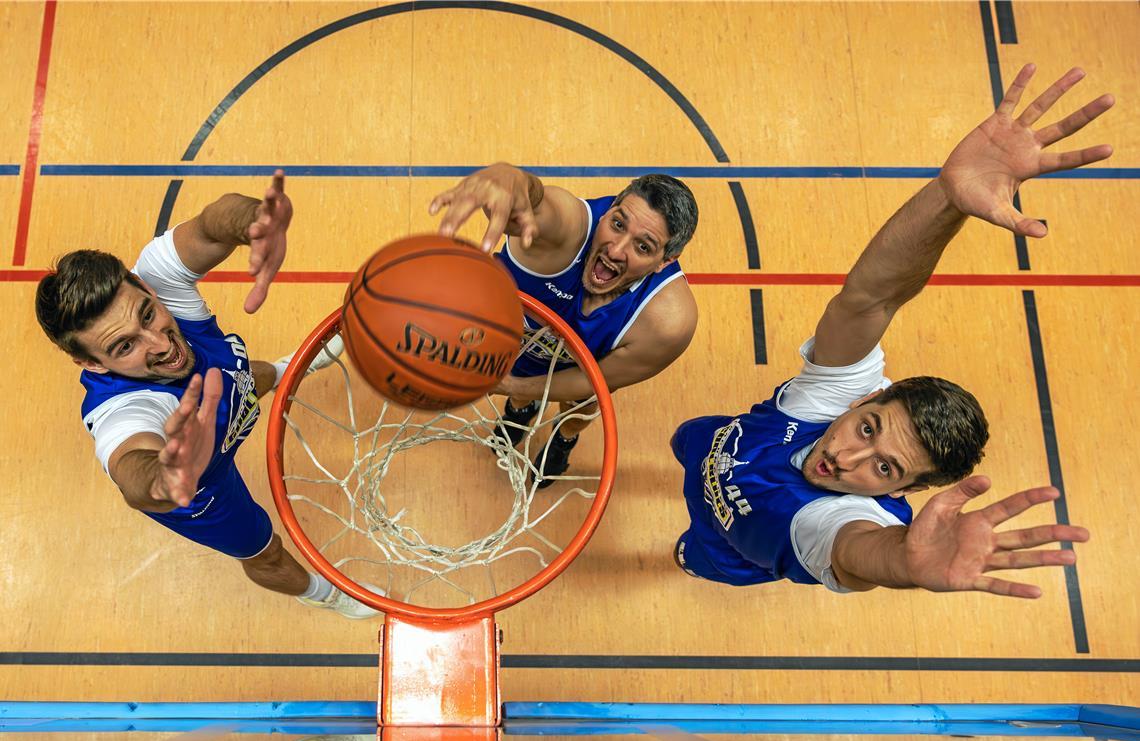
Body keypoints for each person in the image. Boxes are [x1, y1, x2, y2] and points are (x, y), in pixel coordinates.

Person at [671, 64, 1108, 597]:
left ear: (907, 490)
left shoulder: (841, 517)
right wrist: (948, 197)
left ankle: (691, 555)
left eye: (883, 467)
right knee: (684, 444)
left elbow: (861, 550)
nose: (845, 458)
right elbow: (872, 295)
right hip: (711, 442)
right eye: (869, 428)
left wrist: (904, 563)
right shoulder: (835, 397)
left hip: (725, 548)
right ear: (869, 397)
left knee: (689, 556)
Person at [35, 172, 377, 618]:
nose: (159, 344)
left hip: (223, 397)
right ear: (93, 364)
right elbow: (132, 467)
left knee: (240, 377)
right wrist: (165, 479)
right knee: (264, 551)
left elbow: (215, 220)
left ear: (147, 288)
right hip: (198, 485)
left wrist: (256, 219)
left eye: (148, 314)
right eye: (125, 346)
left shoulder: (156, 279)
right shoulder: (123, 410)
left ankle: (288, 367)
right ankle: (326, 596)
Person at [429, 165, 699, 486]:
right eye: (617, 224)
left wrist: (510, 386)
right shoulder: (564, 234)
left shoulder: (667, 322)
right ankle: (519, 413)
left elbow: (593, 379)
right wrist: (511, 179)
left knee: (579, 407)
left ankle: (563, 440)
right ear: (609, 211)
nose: (615, 250)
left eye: (643, 247)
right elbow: (538, 203)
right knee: (520, 369)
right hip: (524, 339)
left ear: (666, 260)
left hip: (588, 367)